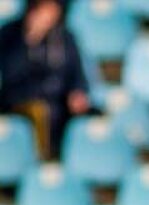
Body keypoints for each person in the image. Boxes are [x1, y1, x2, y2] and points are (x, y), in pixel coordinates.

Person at [0, 0, 89, 160]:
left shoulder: (65, 37)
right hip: (22, 100)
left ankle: (73, 163)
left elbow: (76, 72)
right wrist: (31, 40)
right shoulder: (10, 34)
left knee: (90, 116)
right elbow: (10, 74)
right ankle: (42, 159)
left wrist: (78, 91)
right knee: (40, 111)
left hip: (59, 101)